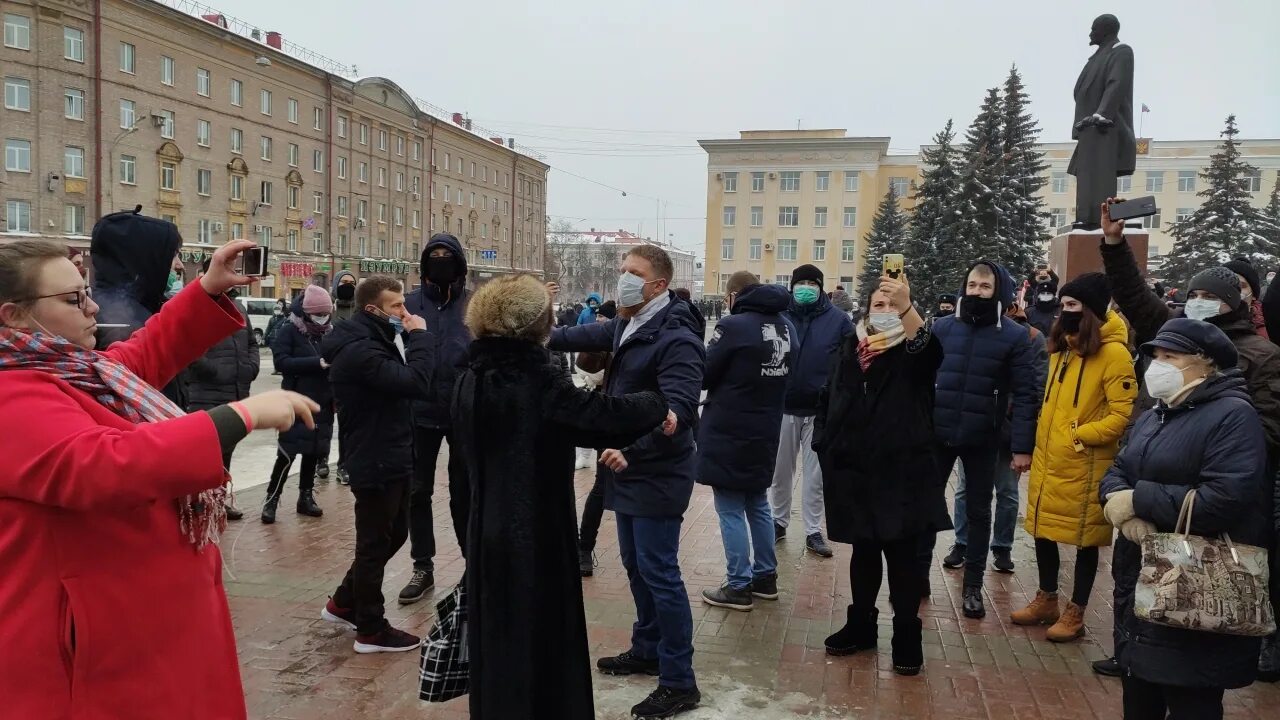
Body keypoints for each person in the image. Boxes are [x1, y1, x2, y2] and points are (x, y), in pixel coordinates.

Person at [0, 238, 318, 719]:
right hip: (91, 656)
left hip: (134, 630)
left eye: (86, 292)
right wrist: (236, 417)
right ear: (13, 316)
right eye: (73, 299)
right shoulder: (12, 392)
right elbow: (103, 466)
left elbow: (144, 352)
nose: (93, 307)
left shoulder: (76, 368)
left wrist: (208, 288)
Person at [455, 275, 671, 720]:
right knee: (539, 649)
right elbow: (600, 419)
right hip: (533, 537)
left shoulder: (469, 376)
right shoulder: (534, 380)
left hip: (484, 533)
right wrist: (656, 402)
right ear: (535, 325)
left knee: (495, 646)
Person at [1097, 200, 1280, 678]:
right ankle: (1127, 653)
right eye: (1192, 292)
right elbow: (1135, 297)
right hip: (1150, 496)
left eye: (1210, 295)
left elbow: (1262, 439)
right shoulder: (1174, 337)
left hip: (1204, 508)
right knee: (1130, 587)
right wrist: (1114, 245)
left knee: (1191, 619)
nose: (1197, 300)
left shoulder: (1261, 357)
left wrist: (1190, 449)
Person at [549, 244, 705, 720]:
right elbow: (574, 335)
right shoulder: (626, 323)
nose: (623, 280)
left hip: (656, 469)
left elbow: (678, 410)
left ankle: (679, 680)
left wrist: (630, 450)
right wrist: (531, 333)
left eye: (633, 273)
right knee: (637, 566)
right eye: (622, 271)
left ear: (658, 285)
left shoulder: (676, 337)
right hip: (627, 468)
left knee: (660, 572)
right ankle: (647, 648)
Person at [1099, 318, 1270, 718]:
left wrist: (1140, 500)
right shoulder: (1157, 413)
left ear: (1204, 363)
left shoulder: (1233, 417)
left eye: (1169, 356)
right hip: (1140, 583)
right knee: (1138, 697)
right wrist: (1122, 511)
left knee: (1191, 701)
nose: (1157, 365)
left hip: (1195, 590)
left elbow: (1224, 498)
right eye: (1155, 355)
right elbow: (1116, 470)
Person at [814, 272, 948, 676]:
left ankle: (907, 636)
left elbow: (931, 350)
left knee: (904, 556)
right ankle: (861, 627)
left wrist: (907, 306)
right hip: (854, 469)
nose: (884, 310)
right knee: (864, 551)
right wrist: (825, 441)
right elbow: (829, 396)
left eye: (891, 305)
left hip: (903, 470)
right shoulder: (849, 347)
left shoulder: (912, 351)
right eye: (879, 304)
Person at [1012, 273, 1136, 642]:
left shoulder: (1114, 354)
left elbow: (1122, 414)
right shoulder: (1063, 348)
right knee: (1043, 528)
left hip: (1085, 462)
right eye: (1062, 306)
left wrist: (1080, 435)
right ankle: (1047, 597)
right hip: (1051, 457)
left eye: (1072, 307)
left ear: (1092, 312)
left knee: (1084, 538)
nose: (1063, 313)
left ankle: (1076, 610)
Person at [319, 275, 435, 653]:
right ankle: (370, 629)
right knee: (373, 544)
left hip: (392, 451)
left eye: (404, 304)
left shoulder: (374, 339)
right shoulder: (360, 350)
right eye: (396, 306)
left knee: (395, 533)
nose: (405, 312)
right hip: (374, 456)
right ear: (373, 310)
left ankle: (344, 602)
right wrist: (420, 338)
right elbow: (413, 380)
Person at [931, 261, 1043, 619]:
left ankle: (973, 586)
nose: (977, 291)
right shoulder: (942, 327)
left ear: (1000, 292)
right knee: (923, 505)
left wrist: (1023, 446)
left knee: (979, 511)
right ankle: (917, 574)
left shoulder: (1014, 336)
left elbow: (1026, 395)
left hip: (984, 436)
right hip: (939, 432)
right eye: (973, 284)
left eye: (985, 286)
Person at [697, 271, 792, 612]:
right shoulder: (787, 326)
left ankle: (738, 584)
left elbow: (706, 373)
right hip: (766, 428)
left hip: (730, 428)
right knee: (758, 503)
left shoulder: (734, 327)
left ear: (734, 296)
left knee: (730, 507)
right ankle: (765, 577)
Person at [944, 298, 1049, 577]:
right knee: (966, 490)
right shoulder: (975, 331)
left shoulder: (1031, 337)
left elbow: (1033, 388)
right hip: (980, 426)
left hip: (1009, 428)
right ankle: (961, 543)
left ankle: (1002, 546)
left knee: (1006, 491)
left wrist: (1018, 431)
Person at [400, 233, 473, 604]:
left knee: (464, 492)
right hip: (420, 411)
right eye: (434, 255)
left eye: (448, 256)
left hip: (463, 414)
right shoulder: (409, 305)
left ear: (460, 262)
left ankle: (471, 566)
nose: (441, 261)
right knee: (418, 491)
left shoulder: (474, 306)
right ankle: (422, 567)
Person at [770, 264, 854, 558]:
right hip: (784, 405)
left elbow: (849, 363)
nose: (806, 287)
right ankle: (778, 522)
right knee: (780, 470)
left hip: (821, 411)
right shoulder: (779, 317)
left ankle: (813, 530)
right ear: (792, 286)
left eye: (812, 282)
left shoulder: (839, 320)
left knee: (816, 474)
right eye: (800, 282)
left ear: (821, 286)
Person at [185, 258, 261, 521]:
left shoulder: (238, 307)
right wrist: (217, 372)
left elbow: (252, 343)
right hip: (206, 394)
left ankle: (219, 501)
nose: (231, 276)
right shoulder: (195, 305)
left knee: (225, 453)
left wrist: (250, 367)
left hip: (236, 392)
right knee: (202, 454)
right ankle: (197, 504)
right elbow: (188, 351)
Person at [90, 209, 189, 408]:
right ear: (145, 258)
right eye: (173, 256)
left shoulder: (137, 307)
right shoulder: (120, 320)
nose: (179, 266)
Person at [263, 286, 335, 523]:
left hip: (322, 402)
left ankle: (306, 497)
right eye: (318, 314)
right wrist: (317, 363)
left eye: (326, 314)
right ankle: (272, 499)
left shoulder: (329, 332)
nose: (322, 318)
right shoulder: (290, 330)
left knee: (313, 451)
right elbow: (282, 362)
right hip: (295, 400)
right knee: (287, 452)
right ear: (306, 313)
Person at [574, 298, 619, 575]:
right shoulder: (611, 331)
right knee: (602, 486)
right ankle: (584, 547)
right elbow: (585, 367)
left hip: (642, 415)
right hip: (610, 414)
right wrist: (599, 339)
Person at [1224, 257, 1267, 340]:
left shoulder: (1270, 327)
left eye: (1240, 286)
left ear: (1253, 295)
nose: (1232, 290)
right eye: (1226, 284)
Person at [1025, 267, 1061, 336]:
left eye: (1048, 294)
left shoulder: (1059, 310)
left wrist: (1050, 271)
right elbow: (1030, 280)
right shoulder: (1036, 285)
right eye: (1042, 273)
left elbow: (1056, 280)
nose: (1045, 295)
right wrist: (1034, 272)